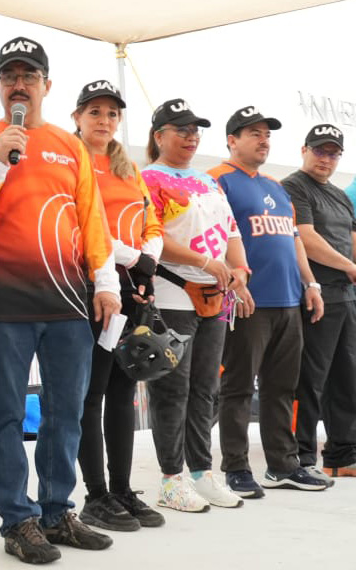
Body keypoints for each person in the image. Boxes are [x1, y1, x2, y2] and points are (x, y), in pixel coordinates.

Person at [0, 37, 121, 565]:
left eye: (29, 76)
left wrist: (106, 280)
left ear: (47, 85)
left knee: (66, 409)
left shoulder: (70, 147)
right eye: (10, 77)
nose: (18, 85)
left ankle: (55, 510)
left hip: (69, 298)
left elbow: (90, 217)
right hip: (5, 299)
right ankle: (16, 520)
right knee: (6, 412)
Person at [141, 98, 254, 513]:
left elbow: (231, 229)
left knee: (206, 388)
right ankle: (171, 480)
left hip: (217, 296)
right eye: (181, 130)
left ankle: (202, 472)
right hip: (172, 294)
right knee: (173, 390)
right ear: (159, 136)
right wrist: (203, 261)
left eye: (195, 131)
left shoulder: (208, 182)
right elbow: (150, 235)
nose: (191, 137)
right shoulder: (147, 178)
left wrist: (239, 269)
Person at [209, 107, 328, 496]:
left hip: (288, 300)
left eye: (267, 134)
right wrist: (234, 283)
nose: (263, 140)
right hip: (248, 301)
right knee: (239, 386)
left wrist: (311, 284)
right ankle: (237, 467)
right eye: (253, 134)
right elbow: (216, 236)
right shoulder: (217, 181)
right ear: (232, 140)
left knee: (282, 388)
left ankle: (283, 465)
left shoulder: (277, 187)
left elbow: (293, 239)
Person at [71, 80, 166, 531]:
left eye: (111, 114)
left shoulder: (130, 169)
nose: (104, 121)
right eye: (95, 113)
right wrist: (135, 258)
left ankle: (122, 489)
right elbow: (81, 225)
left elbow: (153, 224)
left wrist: (149, 264)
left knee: (124, 394)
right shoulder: (71, 163)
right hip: (89, 289)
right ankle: (96, 495)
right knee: (92, 395)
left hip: (133, 292)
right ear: (77, 118)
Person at [282, 124, 356, 478]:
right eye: (319, 151)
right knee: (310, 380)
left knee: (347, 377)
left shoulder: (340, 195)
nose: (325, 159)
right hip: (314, 294)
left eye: (332, 153)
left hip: (346, 295)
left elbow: (351, 238)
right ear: (304, 150)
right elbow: (306, 240)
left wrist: (352, 268)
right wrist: (349, 267)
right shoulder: (294, 186)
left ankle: (341, 455)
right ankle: (302, 457)